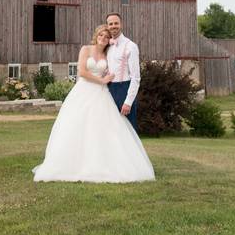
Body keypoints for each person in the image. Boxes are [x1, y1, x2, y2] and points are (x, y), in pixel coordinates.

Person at [32, 25, 155, 183]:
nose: (103, 38)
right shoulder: (86, 49)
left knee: (103, 128)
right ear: (96, 36)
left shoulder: (108, 53)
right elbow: (82, 72)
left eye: (106, 36)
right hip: (83, 91)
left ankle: (104, 163)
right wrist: (102, 80)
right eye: (101, 35)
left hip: (102, 94)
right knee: (76, 126)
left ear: (109, 39)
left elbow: (116, 68)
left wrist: (113, 80)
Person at [105, 12, 140, 132]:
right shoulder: (107, 46)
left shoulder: (130, 46)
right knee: (113, 133)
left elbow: (136, 78)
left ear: (121, 24)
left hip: (124, 89)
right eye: (110, 24)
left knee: (128, 132)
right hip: (109, 91)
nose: (113, 26)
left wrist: (128, 102)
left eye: (116, 23)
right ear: (107, 26)